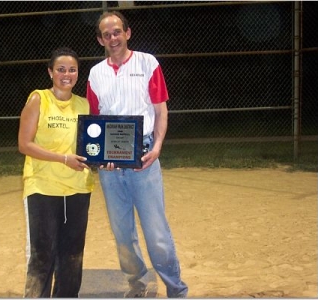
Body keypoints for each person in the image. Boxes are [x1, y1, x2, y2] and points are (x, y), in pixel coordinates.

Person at [86, 11, 188, 298]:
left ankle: (176, 288)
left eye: (117, 31)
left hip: (142, 153)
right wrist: (98, 157)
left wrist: (156, 147)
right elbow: (95, 118)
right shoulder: (96, 73)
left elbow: (160, 110)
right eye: (106, 34)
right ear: (100, 39)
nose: (113, 38)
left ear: (127, 33)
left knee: (156, 229)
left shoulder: (147, 62)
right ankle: (137, 283)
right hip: (110, 161)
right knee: (122, 232)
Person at [18, 47, 94, 298]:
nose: (66, 74)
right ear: (50, 72)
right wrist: (63, 158)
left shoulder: (83, 104)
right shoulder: (39, 99)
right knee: (43, 254)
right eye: (60, 69)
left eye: (72, 70)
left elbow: (91, 146)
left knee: (72, 255)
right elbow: (24, 144)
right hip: (43, 186)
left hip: (77, 188)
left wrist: (105, 158)